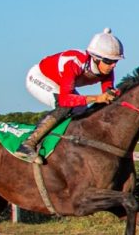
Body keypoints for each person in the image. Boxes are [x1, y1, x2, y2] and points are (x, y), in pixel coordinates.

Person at [14, 28, 124, 163]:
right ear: (95, 58)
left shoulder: (107, 71)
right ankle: (27, 144)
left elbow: (108, 93)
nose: (113, 66)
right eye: (108, 61)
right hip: (40, 78)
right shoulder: (74, 63)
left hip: (61, 84)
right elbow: (66, 99)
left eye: (116, 61)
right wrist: (96, 98)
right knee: (66, 106)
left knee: (84, 112)